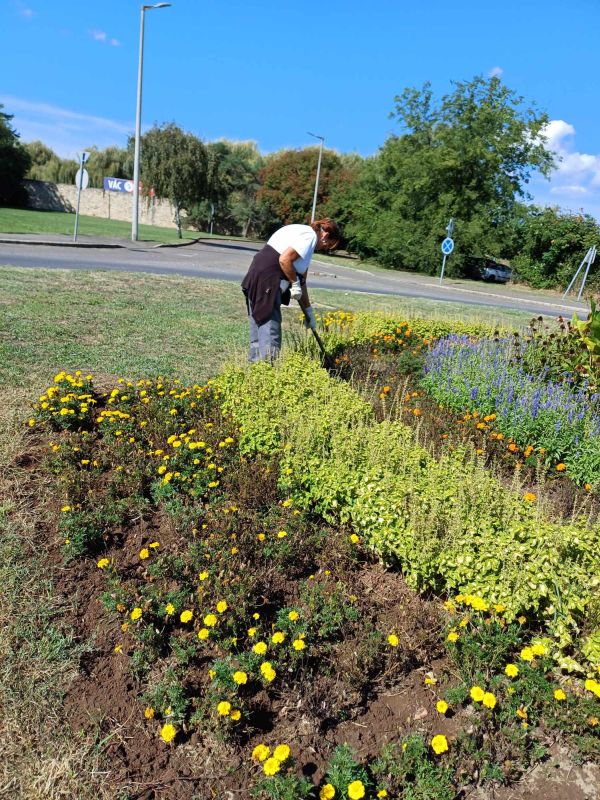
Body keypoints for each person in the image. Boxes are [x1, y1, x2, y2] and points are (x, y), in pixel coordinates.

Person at [241, 218, 341, 362]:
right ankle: (266, 374)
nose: (324, 249)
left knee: (259, 329)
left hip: (257, 278)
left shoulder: (303, 234)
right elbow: (284, 259)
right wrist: (294, 283)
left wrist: (309, 312)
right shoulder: (309, 236)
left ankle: (255, 373)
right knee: (269, 332)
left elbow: (302, 282)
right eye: (328, 245)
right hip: (268, 282)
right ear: (325, 235)